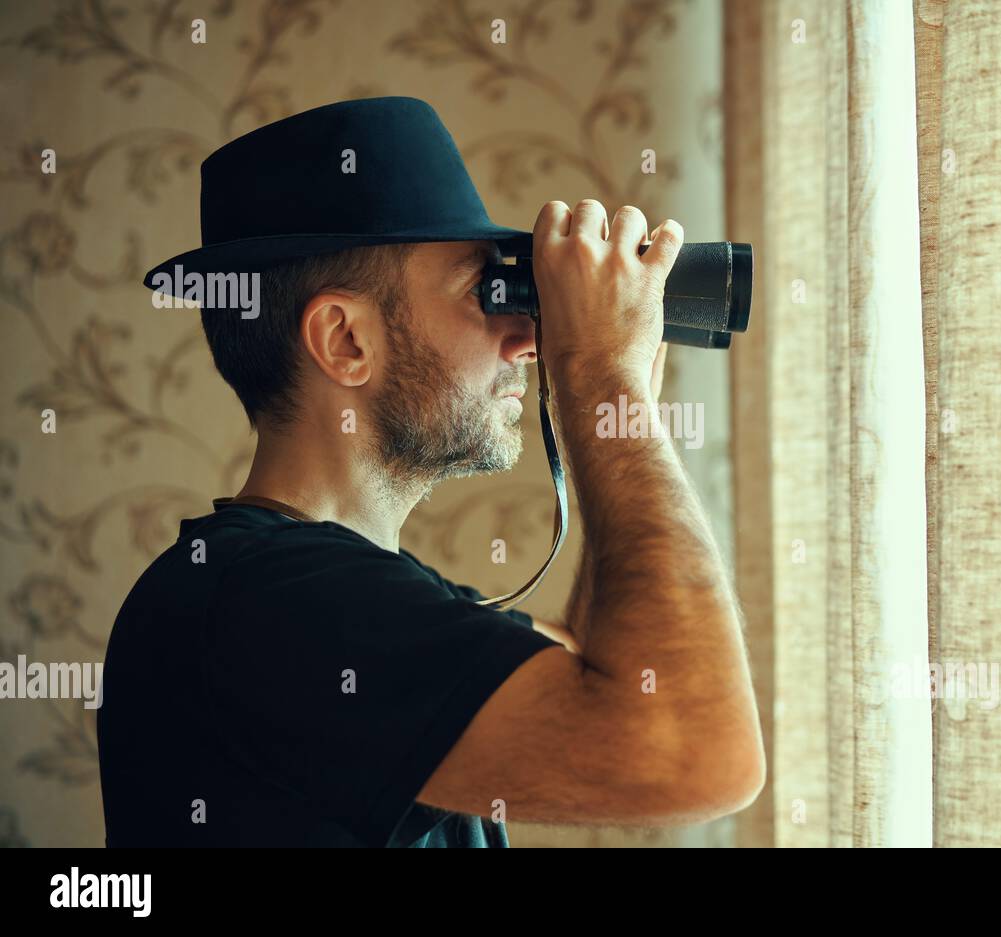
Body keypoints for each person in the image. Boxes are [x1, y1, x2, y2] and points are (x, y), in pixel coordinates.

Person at [98, 97, 763, 847]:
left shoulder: (313, 592)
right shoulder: (273, 601)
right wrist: (606, 381)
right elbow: (699, 753)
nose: (525, 339)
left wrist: (609, 381)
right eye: (486, 292)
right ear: (345, 339)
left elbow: (608, 664)